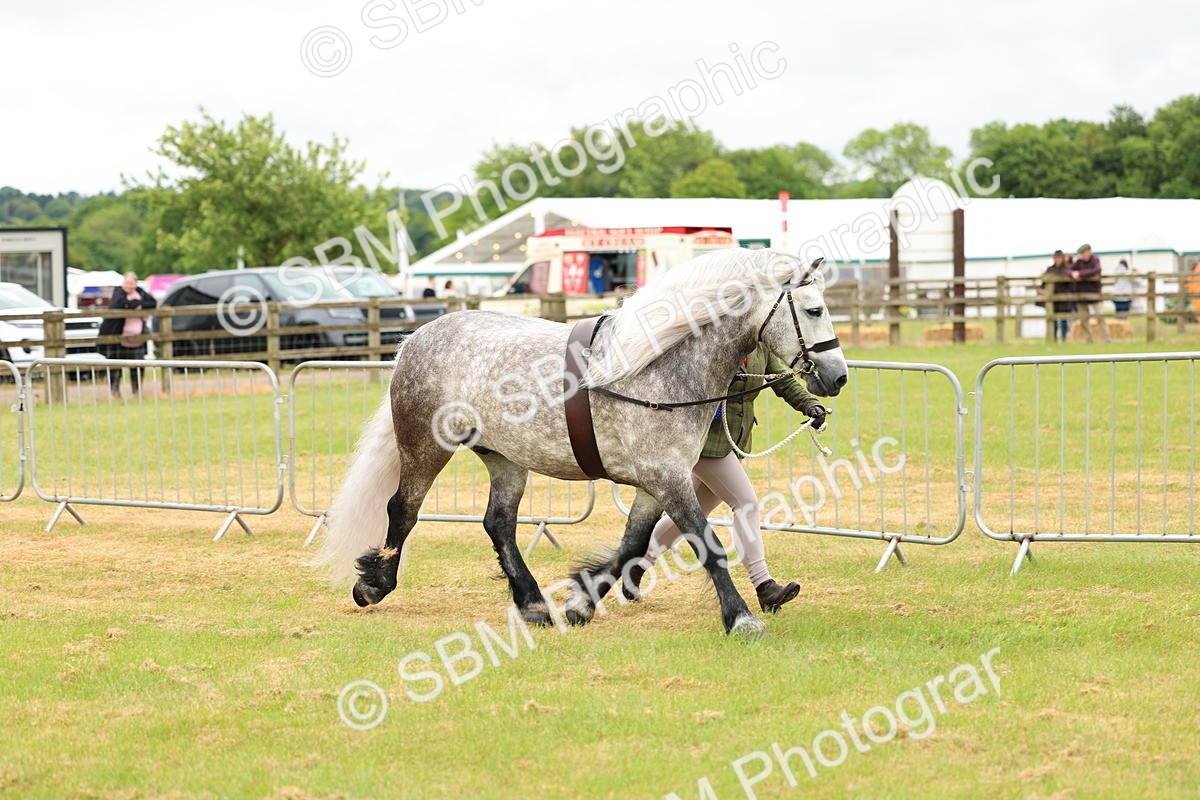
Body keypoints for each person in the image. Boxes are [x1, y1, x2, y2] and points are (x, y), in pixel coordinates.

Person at [624, 342, 828, 612]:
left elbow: (782, 381)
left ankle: (635, 566)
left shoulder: (760, 348)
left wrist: (810, 405)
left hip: (734, 440)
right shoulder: (718, 343)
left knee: (689, 511)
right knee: (745, 503)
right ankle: (764, 586)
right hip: (706, 441)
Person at [98, 272, 156, 398]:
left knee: (138, 367)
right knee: (115, 367)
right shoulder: (118, 292)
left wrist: (137, 304)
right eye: (126, 283)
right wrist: (136, 304)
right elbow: (117, 304)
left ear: (136, 284)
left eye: (131, 283)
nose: (128, 286)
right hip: (118, 337)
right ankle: (115, 392)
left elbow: (152, 303)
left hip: (137, 339)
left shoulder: (140, 292)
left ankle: (136, 392)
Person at [1070, 244, 1110, 342]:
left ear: (1089, 252)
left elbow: (1096, 270)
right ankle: (1088, 339)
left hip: (1094, 294)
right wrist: (1073, 274)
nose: (1082, 255)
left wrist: (1080, 274)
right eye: (1081, 253)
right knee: (1084, 319)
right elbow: (1070, 270)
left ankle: (1107, 339)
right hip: (1082, 294)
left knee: (1100, 316)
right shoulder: (1079, 262)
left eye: (1083, 253)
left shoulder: (1095, 260)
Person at [1040, 250, 1075, 341]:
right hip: (1053, 297)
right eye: (1056, 258)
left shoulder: (1067, 269)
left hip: (1064, 297)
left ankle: (1064, 338)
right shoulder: (1050, 269)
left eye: (1059, 258)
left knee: (1064, 319)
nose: (1058, 260)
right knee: (1053, 319)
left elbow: (1072, 283)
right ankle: (1054, 338)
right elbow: (1044, 283)